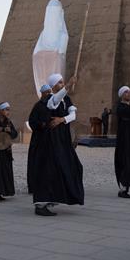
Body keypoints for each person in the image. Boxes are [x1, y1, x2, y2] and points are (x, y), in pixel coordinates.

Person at [27, 74, 84, 216]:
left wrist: (62, 119)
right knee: (48, 169)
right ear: (53, 86)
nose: (62, 84)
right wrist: (68, 86)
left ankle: (55, 197)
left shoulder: (67, 99)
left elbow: (73, 115)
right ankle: (40, 204)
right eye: (59, 82)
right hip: (50, 141)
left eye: (62, 82)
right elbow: (54, 102)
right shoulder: (49, 99)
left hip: (62, 140)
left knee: (72, 166)